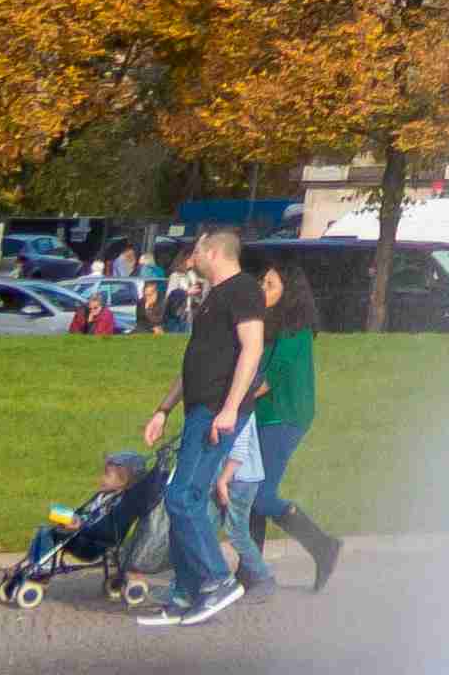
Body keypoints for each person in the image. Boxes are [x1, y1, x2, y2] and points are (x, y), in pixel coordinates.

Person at [136, 228, 272, 628]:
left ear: (213, 252)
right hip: (199, 409)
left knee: (184, 498)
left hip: (216, 412)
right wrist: (163, 409)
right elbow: (194, 362)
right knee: (181, 499)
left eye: (196, 249)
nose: (191, 256)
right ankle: (184, 593)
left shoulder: (244, 289)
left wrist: (230, 409)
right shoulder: (215, 297)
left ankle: (215, 581)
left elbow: (253, 348)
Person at [234, 252, 342, 594]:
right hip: (261, 416)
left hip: (284, 417)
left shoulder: (294, 333)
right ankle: (250, 572)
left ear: (288, 291)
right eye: (262, 282)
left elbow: (265, 382)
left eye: (270, 284)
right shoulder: (266, 326)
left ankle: (323, 545)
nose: (262, 289)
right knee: (249, 490)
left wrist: (226, 404)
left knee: (260, 495)